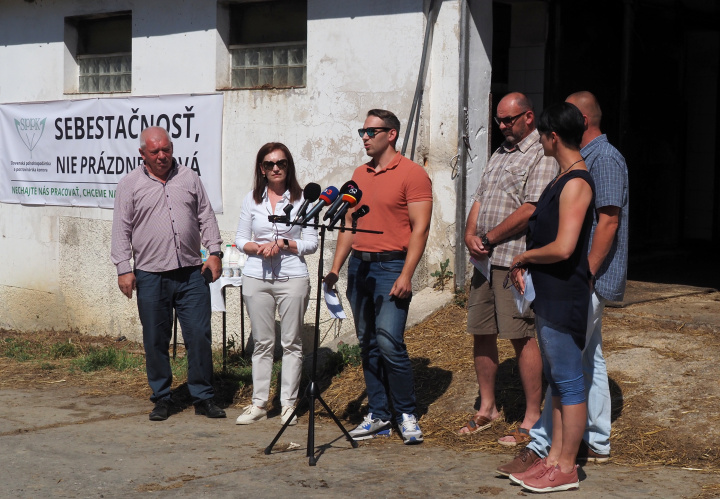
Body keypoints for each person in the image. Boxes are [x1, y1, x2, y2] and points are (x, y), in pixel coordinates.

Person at [498, 91, 629, 475]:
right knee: (587, 362)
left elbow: (608, 222)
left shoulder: (601, 161)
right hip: (570, 280)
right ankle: (587, 442)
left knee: (568, 370)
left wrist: (586, 273)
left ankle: (552, 451)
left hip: (581, 279)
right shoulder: (576, 166)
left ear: (579, 122)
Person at [324, 109, 432, 444]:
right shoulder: (360, 174)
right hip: (360, 267)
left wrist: (407, 274)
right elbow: (347, 224)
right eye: (362, 132)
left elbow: (421, 229)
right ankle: (380, 415)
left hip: (392, 267)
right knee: (367, 342)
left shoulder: (413, 174)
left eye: (371, 131)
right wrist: (334, 269)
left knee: (388, 341)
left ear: (392, 134)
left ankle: (406, 413)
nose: (365, 137)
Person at [503, 102, 595, 493]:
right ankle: (554, 458)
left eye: (541, 133)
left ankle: (567, 466)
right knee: (559, 381)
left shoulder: (576, 182)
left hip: (563, 294)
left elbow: (564, 246)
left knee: (570, 384)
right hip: (550, 294)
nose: (538, 139)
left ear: (553, 136)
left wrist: (523, 256)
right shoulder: (563, 177)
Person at [459, 92, 557, 445]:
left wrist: (489, 237)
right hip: (484, 261)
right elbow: (481, 198)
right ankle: (487, 408)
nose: (501, 126)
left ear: (529, 117)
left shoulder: (541, 154)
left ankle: (533, 417)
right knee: (481, 330)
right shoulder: (500, 153)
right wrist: (470, 235)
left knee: (521, 335)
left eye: (508, 120)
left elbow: (532, 208)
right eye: (498, 120)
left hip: (514, 259)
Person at [111, 126, 226, 421]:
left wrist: (214, 252)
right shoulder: (130, 184)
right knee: (155, 338)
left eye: (166, 150)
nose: (162, 156)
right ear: (142, 153)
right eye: (155, 152)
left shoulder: (189, 178)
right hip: (150, 275)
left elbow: (206, 216)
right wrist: (124, 268)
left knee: (199, 335)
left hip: (190, 272)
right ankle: (162, 397)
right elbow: (121, 229)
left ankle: (203, 396)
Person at [234, 142, 318, 426]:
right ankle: (259, 404)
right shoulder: (252, 199)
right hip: (257, 276)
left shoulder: (303, 199)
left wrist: (285, 243)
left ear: (288, 165)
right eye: (269, 164)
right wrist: (258, 249)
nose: (276, 168)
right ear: (262, 169)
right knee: (262, 342)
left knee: (292, 342)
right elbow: (241, 238)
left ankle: (288, 404)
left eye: (281, 163)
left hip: (292, 276)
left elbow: (312, 242)